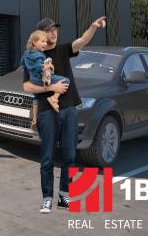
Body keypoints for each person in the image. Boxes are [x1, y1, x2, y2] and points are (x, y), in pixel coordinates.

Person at [23, 16, 106, 214]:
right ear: (41, 34)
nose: (54, 32)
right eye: (50, 30)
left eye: (55, 29)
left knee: (69, 155)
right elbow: (27, 86)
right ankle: (47, 198)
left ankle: (64, 196)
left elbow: (82, 41)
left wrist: (93, 27)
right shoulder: (33, 55)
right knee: (47, 158)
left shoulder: (62, 50)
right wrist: (51, 87)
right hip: (46, 112)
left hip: (68, 109)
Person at [23, 30, 71, 130]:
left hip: (32, 79)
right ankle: (54, 98)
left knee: (36, 97)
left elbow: (22, 63)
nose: (45, 44)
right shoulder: (39, 55)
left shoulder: (26, 53)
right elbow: (38, 67)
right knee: (66, 80)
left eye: (46, 41)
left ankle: (35, 119)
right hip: (40, 79)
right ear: (34, 43)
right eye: (42, 41)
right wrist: (48, 66)